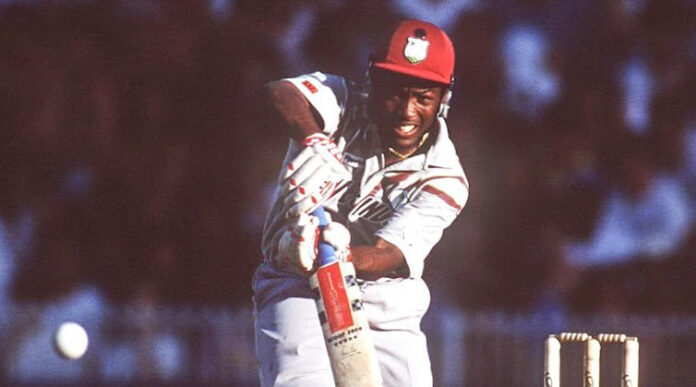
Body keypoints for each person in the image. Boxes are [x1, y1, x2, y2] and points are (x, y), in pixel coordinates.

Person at [253, 20, 469, 386]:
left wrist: (340, 255)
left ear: (443, 98)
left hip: (385, 300)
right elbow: (280, 92)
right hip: (297, 280)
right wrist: (314, 140)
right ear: (373, 82)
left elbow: (389, 253)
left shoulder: (446, 177)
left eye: (423, 97)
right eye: (396, 92)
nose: (407, 110)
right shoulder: (343, 99)